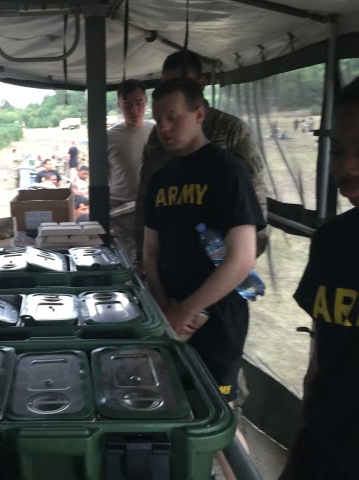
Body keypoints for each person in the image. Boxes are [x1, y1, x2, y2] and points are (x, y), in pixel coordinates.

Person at [143, 78, 264, 480]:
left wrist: (187, 308)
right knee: (177, 406)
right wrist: (164, 307)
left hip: (217, 318)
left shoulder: (228, 172)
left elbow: (241, 258)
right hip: (169, 316)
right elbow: (151, 252)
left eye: (172, 117)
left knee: (219, 418)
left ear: (199, 115)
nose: (163, 128)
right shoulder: (160, 179)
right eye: (158, 119)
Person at [278, 77, 359, 480]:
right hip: (321, 453)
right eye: (339, 151)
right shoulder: (332, 240)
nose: (345, 167)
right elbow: (318, 367)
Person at [135, 49, 268, 271]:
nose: (165, 126)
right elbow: (145, 198)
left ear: (201, 83)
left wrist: (242, 260)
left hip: (219, 263)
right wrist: (143, 257)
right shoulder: (157, 137)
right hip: (171, 259)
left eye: (181, 82)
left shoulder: (232, 131)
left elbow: (254, 199)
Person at [107, 79, 155, 261]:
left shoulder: (157, 131)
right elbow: (102, 179)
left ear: (146, 101)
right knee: (123, 259)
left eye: (138, 103)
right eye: (127, 105)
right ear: (119, 105)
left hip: (149, 206)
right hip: (119, 211)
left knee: (150, 257)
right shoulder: (109, 137)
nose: (134, 110)